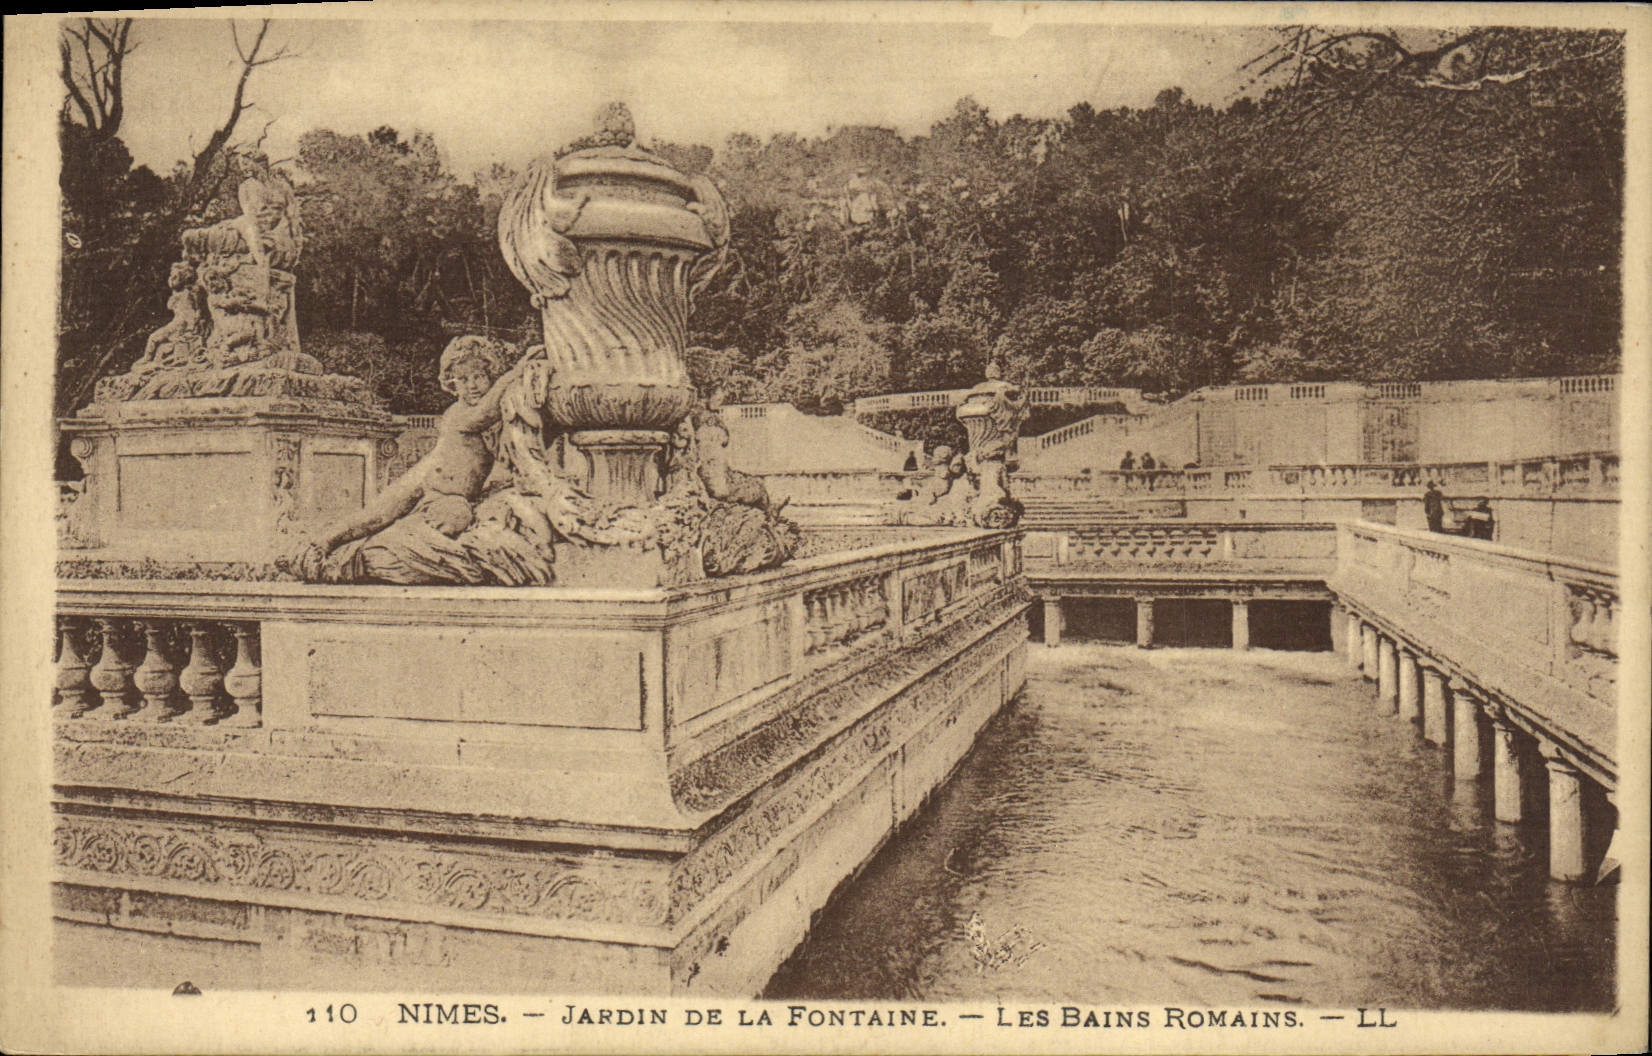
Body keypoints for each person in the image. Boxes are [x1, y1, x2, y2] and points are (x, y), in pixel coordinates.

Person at [287, 336, 534, 580]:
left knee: (388, 519)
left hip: (441, 488)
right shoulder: (461, 413)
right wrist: (517, 371)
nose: (472, 385)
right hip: (429, 483)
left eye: (479, 376)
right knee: (375, 516)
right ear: (452, 384)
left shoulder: (481, 417)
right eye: (463, 379)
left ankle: (327, 550)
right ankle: (320, 545)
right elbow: (486, 411)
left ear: (489, 374)